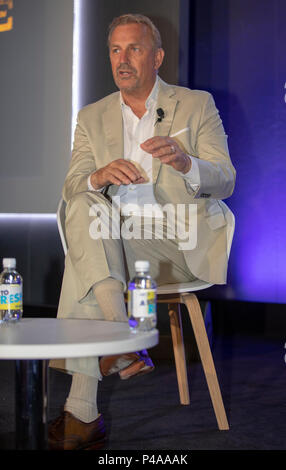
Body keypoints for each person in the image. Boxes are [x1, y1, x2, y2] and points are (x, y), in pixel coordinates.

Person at [48, 13, 236, 450]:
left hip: (175, 241)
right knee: (84, 206)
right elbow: (73, 185)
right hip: (113, 236)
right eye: (115, 49)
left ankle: (88, 399)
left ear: (157, 57)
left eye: (133, 48)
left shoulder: (195, 103)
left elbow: (226, 178)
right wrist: (99, 177)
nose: (123, 59)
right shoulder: (91, 116)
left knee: (86, 258)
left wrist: (186, 162)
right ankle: (102, 376)